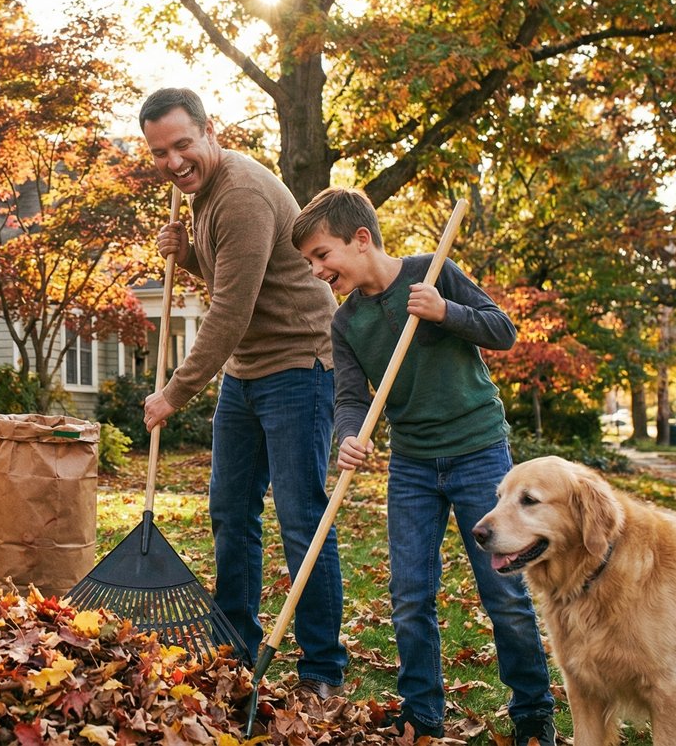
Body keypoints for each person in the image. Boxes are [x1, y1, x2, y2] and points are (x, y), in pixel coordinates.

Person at [291, 187, 556, 745]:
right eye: (311, 262)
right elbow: (350, 397)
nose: (317, 270)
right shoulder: (347, 322)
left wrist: (445, 311)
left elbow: (502, 330)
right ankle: (422, 716)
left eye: (322, 255)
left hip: (478, 451)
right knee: (410, 595)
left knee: (502, 592)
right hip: (412, 464)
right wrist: (348, 436)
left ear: (361, 239)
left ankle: (533, 713)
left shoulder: (432, 273)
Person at [138, 88, 346, 694]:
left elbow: (231, 309)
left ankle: (322, 669)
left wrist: (174, 392)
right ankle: (234, 649)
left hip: (299, 365)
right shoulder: (201, 197)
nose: (173, 162)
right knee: (231, 512)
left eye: (182, 144)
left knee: (303, 517)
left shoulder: (242, 194)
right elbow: (234, 274)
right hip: (249, 372)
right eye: (159, 152)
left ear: (210, 131)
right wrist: (190, 255)